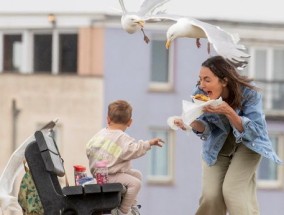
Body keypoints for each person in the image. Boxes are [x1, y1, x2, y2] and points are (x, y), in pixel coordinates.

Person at [174, 56, 282, 215]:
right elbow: (206, 127)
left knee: (233, 192)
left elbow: (255, 131)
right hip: (217, 146)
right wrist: (190, 123)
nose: (202, 85)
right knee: (211, 197)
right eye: (200, 79)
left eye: (207, 80)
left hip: (249, 145)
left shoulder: (249, 93)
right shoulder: (199, 94)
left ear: (224, 81)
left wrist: (228, 111)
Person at [86, 100, 164, 215]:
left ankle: (133, 205)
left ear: (108, 119)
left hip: (100, 173)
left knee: (137, 174)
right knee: (136, 184)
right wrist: (149, 143)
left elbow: (88, 149)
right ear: (129, 122)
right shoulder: (122, 138)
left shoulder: (99, 135)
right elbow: (134, 150)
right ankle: (123, 211)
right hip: (109, 176)